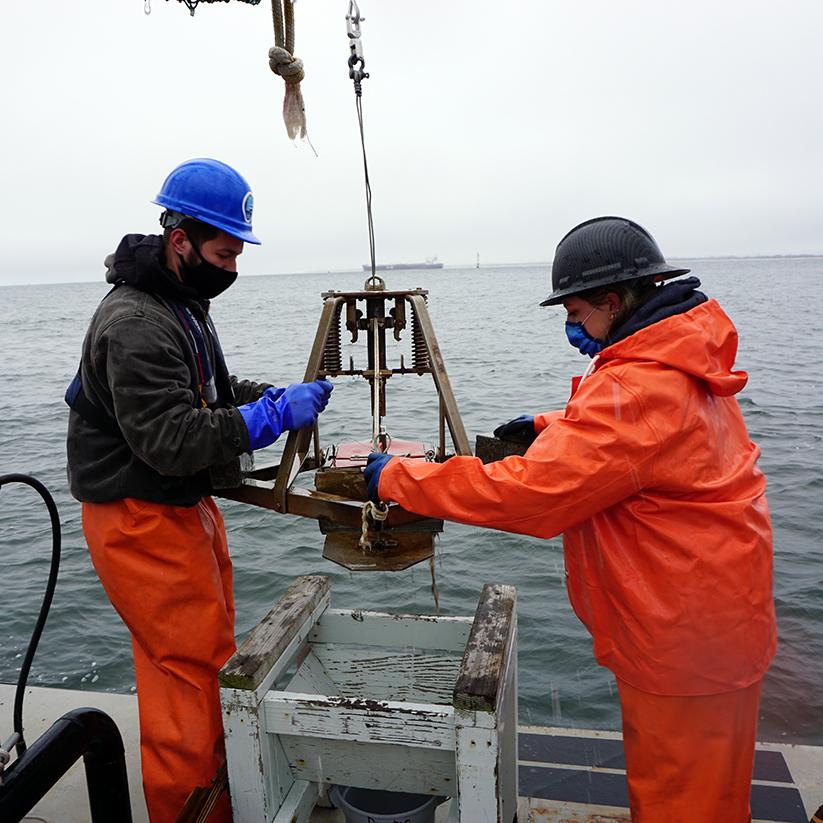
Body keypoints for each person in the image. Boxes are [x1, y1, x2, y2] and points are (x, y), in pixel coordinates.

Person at [364, 216, 776, 822]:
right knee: (713, 796)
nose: (571, 329)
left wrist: (398, 478)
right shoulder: (681, 361)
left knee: (682, 806)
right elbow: (648, 445)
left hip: (684, 643)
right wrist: (545, 426)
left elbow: (533, 496)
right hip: (718, 623)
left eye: (577, 315)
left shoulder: (635, 386)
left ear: (613, 302)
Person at [66, 157, 333, 822]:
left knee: (201, 656)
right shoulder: (135, 321)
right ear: (179, 239)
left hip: (180, 505)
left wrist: (265, 395)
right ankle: (196, 811)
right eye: (223, 251)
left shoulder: (179, 303)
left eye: (238, 253)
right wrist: (271, 418)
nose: (232, 267)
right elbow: (172, 436)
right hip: (139, 514)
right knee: (188, 675)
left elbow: (206, 393)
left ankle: (220, 784)